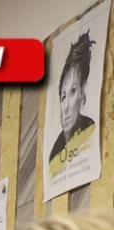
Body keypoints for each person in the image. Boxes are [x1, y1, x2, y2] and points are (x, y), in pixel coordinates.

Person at [50, 32, 96, 167]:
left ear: (83, 92)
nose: (66, 107)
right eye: (63, 96)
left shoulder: (91, 133)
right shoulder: (55, 151)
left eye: (73, 91)